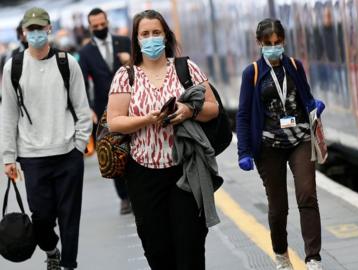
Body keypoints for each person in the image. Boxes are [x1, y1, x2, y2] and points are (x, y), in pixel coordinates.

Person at [107, 10, 219, 270]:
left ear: (166, 36)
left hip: (185, 171)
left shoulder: (186, 68)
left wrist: (189, 111)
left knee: (190, 248)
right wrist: (146, 119)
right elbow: (114, 121)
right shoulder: (126, 76)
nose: (151, 38)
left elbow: (213, 108)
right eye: (144, 34)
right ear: (136, 40)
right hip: (144, 176)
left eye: (156, 32)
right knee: (157, 251)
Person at [1, 7, 92, 270]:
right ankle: (52, 250)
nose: (36, 33)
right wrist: (8, 156)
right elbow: (7, 113)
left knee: (69, 217)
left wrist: (78, 144)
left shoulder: (67, 63)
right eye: (31, 29)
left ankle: (68, 264)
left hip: (67, 154)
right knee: (41, 218)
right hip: (32, 157)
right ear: (23, 33)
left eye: (41, 28)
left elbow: (82, 107)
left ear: (49, 29)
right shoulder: (13, 67)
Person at [236, 18, 325, 270]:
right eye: (268, 43)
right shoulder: (251, 73)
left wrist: (314, 106)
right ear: (259, 43)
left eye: (277, 43)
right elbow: (243, 115)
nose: (273, 47)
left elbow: (306, 98)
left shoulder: (295, 66)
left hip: (300, 139)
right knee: (278, 207)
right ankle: (282, 256)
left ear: (284, 41)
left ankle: (313, 258)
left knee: (307, 194)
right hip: (268, 146)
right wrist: (244, 152)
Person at [78, 7, 132, 215]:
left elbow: (141, 68)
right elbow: (81, 82)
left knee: (134, 151)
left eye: (103, 24)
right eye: (95, 26)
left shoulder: (124, 42)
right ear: (90, 27)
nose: (100, 28)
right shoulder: (86, 52)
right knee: (114, 152)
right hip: (104, 110)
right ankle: (124, 198)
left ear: (107, 21)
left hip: (132, 105)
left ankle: (136, 194)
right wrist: (88, 108)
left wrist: (129, 60)